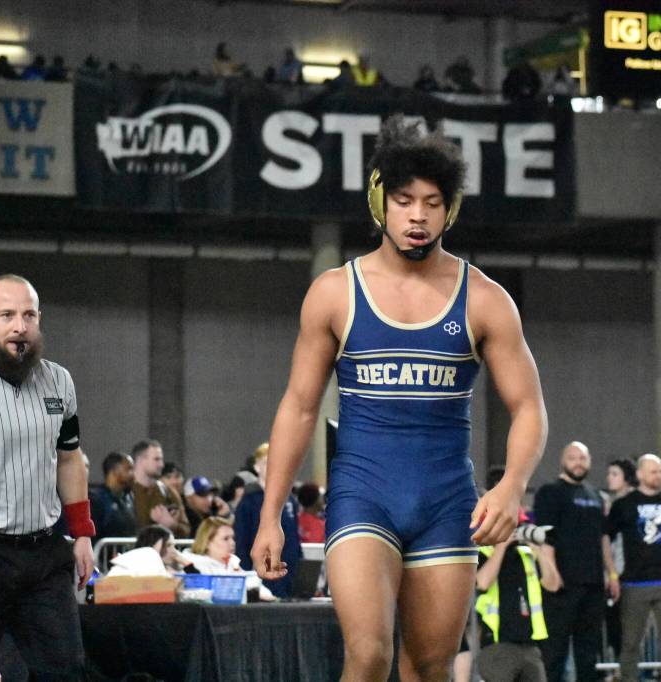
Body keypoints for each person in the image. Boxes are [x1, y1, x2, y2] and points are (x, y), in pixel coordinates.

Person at [250, 114, 547, 682]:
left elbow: (529, 407)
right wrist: (271, 516)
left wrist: (512, 485)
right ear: (379, 203)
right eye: (405, 200)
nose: (418, 215)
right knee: (368, 655)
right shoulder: (335, 293)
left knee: (430, 667)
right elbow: (300, 406)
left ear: (450, 209)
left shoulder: (484, 300)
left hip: (444, 501)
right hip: (364, 493)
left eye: (433, 202)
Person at [0, 274, 95, 680]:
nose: (20, 325)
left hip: (43, 555)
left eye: (28, 314)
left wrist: (83, 532)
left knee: (67, 670)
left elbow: (69, 459)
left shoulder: (60, 381)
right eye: (7, 315)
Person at [603, 453, 661, 682]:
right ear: (640, 474)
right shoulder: (623, 505)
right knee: (630, 643)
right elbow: (605, 537)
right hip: (634, 584)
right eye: (654, 471)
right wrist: (612, 573)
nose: (659, 475)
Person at [474, 466, 560, 682]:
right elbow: (482, 582)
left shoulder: (526, 551)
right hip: (497, 645)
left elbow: (553, 584)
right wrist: (502, 545)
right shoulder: (484, 546)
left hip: (531, 646)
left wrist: (539, 549)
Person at [534, 442, 606, 682]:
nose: (578, 462)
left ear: (589, 461)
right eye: (573, 458)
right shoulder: (550, 492)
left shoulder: (596, 496)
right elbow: (545, 539)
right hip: (562, 586)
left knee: (589, 656)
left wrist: (610, 575)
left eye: (583, 458)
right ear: (563, 461)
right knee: (554, 654)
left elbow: (602, 539)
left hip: (593, 586)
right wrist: (552, 576)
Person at [234, 442, 301, 599]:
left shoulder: (289, 499)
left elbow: (294, 537)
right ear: (257, 467)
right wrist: (247, 574)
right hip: (262, 571)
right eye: (266, 462)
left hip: (288, 570)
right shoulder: (249, 501)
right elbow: (242, 540)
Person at [181, 518, 273, 601]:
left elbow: (252, 585)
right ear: (208, 542)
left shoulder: (233, 562)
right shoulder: (194, 565)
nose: (232, 543)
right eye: (226, 539)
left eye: (233, 538)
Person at [604, 458, 637, 661]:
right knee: (615, 628)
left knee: (630, 629)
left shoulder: (632, 504)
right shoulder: (612, 504)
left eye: (615, 474)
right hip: (616, 572)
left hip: (630, 573)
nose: (609, 478)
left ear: (627, 478)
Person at [131, 439, 191, 538]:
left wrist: (172, 525)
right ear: (141, 460)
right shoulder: (126, 491)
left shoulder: (168, 492)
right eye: (156, 459)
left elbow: (186, 529)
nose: (161, 465)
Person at [89, 451, 137, 543]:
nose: (133, 475)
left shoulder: (129, 499)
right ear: (114, 471)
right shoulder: (97, 500)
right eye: (129, 469)